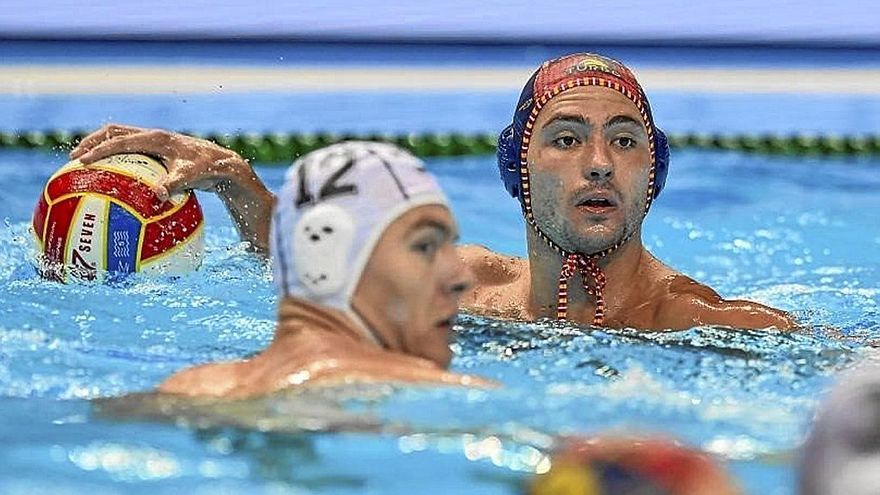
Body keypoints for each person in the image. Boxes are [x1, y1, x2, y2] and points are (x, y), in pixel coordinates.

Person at [70, 53, 793, 331]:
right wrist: (237, 180)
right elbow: (299, 269)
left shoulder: (708, 326)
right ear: (517, 169)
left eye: (625, 141)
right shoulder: (462, 288)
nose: (599, 163)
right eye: (567, 138)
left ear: (654, 173)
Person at [148, 141, 486, 397]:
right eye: (424, 246)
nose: (461, 277)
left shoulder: (186, 389)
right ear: (327, 259)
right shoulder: (449, 396)